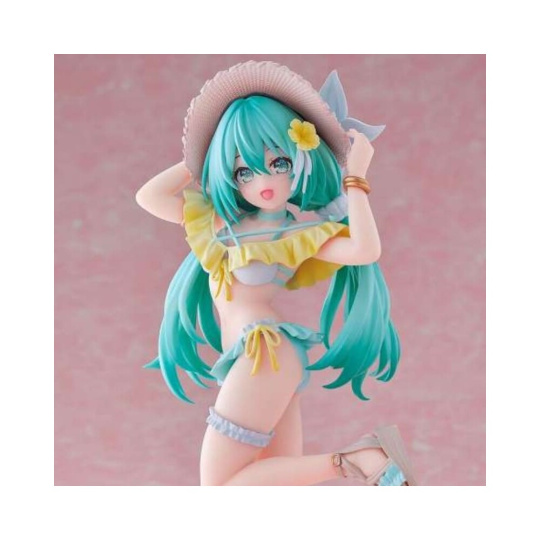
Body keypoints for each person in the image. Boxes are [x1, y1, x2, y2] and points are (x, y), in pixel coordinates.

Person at [136, 61, 417, 486]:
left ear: (301, 158)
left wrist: (356, 178)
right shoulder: (219, 224)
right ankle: (358, 460)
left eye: (279, 162)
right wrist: (206, 156)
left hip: (264, 351)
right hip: (253, 358)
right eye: (244, 170)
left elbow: (364, 249)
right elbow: (149, 196)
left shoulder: (296, 234)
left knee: (220, 485)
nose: (263, 180)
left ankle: (358, 459)